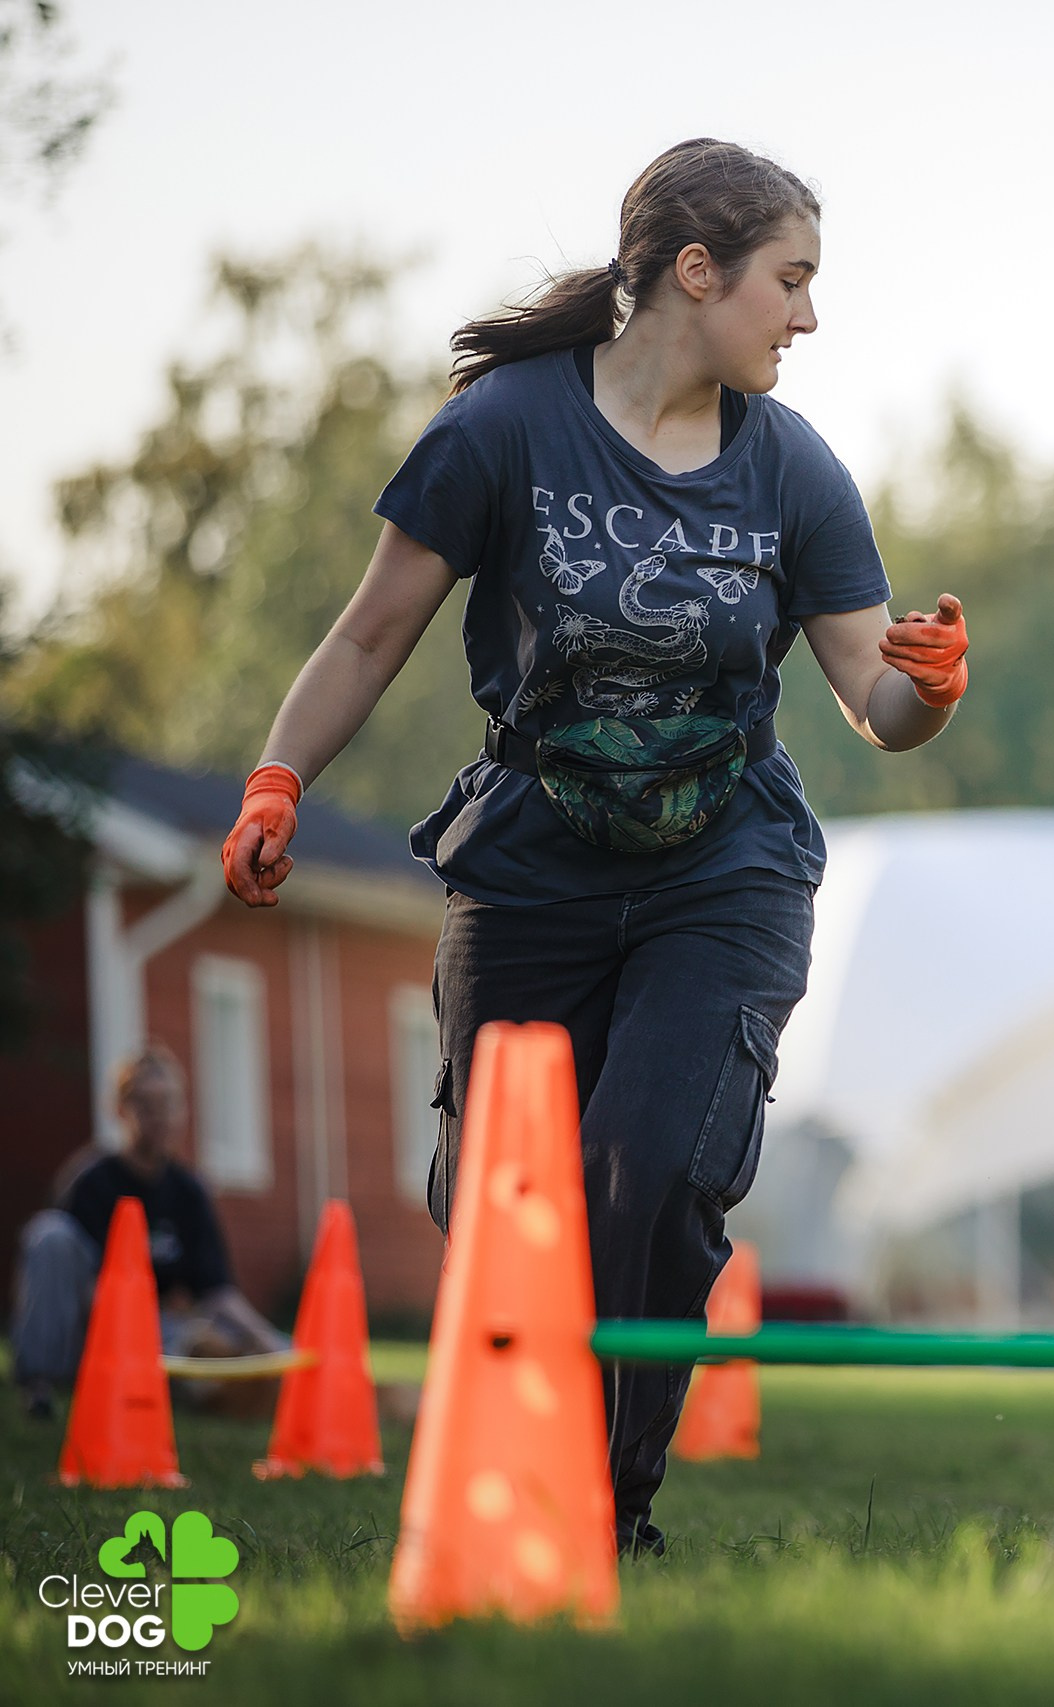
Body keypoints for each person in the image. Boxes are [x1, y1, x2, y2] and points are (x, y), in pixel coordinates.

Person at [216, 139, 968, 1557]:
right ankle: (530, 1456)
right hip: (533, 860)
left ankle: (607, 1499)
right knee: (495, 1194)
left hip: (724, 865)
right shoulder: (503, 430)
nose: (807, 316)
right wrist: (276, 779)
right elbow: (373, 627)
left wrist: (923, 686)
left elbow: (874, 700)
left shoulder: (794, 467)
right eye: (790, 282)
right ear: (698, 271)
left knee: (655, 1168)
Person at [11, 1046, 288, 1418]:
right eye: (145, 1104)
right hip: (93, 1329)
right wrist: (131, 1334)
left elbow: (218, 1292)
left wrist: (275, 1347)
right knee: (50, 1233)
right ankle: (39, 1385)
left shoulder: (189, 1191)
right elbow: (76, 1282)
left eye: (169, 1104)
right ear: (120, 1110)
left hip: (158, 1329)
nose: (159, 1117)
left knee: (215, 1342)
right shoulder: (91, 1182)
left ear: (183, 1111)